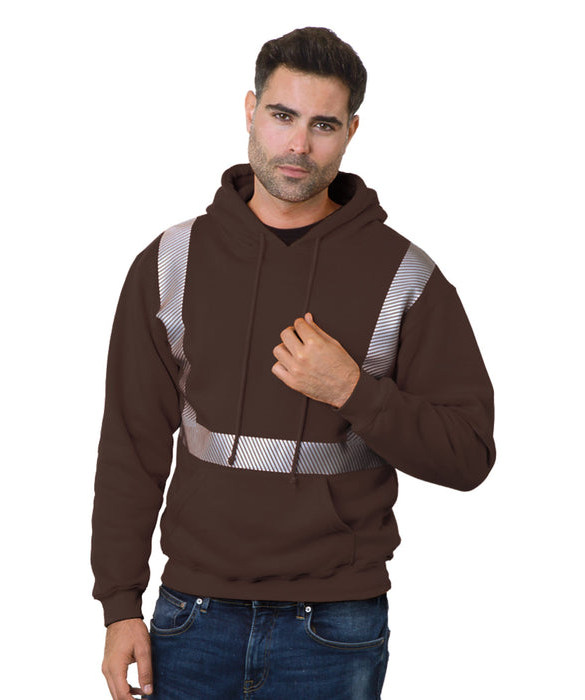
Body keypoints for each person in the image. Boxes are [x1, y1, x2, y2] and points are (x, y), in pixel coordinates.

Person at [91, 26, 496, 700]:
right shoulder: (171, 262)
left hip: (334, 628)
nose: (299, 145)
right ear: (251, 110)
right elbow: (130, 446)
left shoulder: (405, 276)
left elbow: (469, 456)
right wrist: (119, 604)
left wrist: (354, 392)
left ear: (351, 131)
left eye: (323, 125)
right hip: (192, 617)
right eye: (283, 116)